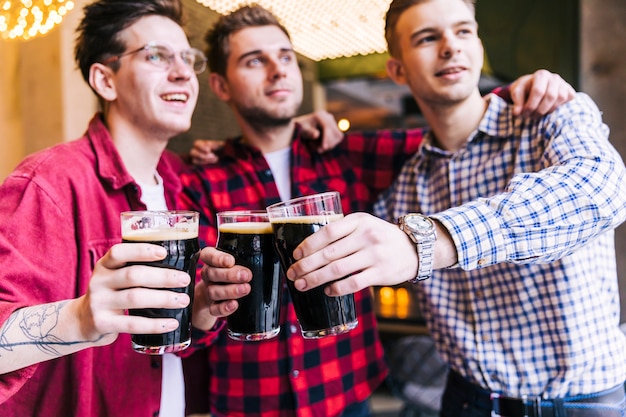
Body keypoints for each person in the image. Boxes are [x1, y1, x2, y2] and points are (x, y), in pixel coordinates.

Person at [181, 4, 576, 417]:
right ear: (221, 86)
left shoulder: (345, 152)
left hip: (346, 392)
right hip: (248, 401)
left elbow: (454, 128)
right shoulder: (200, 178)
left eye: (284, 57)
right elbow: (195, 318)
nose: (278, 70)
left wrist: (519, 91)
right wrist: (204, 307)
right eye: (254, 61)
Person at [283, 1, 626, 416]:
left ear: (479, 45)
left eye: (463, 32)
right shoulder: (405, 184)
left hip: (580, 403)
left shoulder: (550, 116)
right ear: (397, 71)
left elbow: (602, 190)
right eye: (428, 38)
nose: (450, 47)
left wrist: (427, 242)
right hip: (465, 401)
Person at [0, 0, 205, 416]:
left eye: (187, 58)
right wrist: (79, 318)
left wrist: (199, 310)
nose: (183, 72)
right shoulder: (48, 182)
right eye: (157, 56)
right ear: (105, 80)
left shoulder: (182, 187)